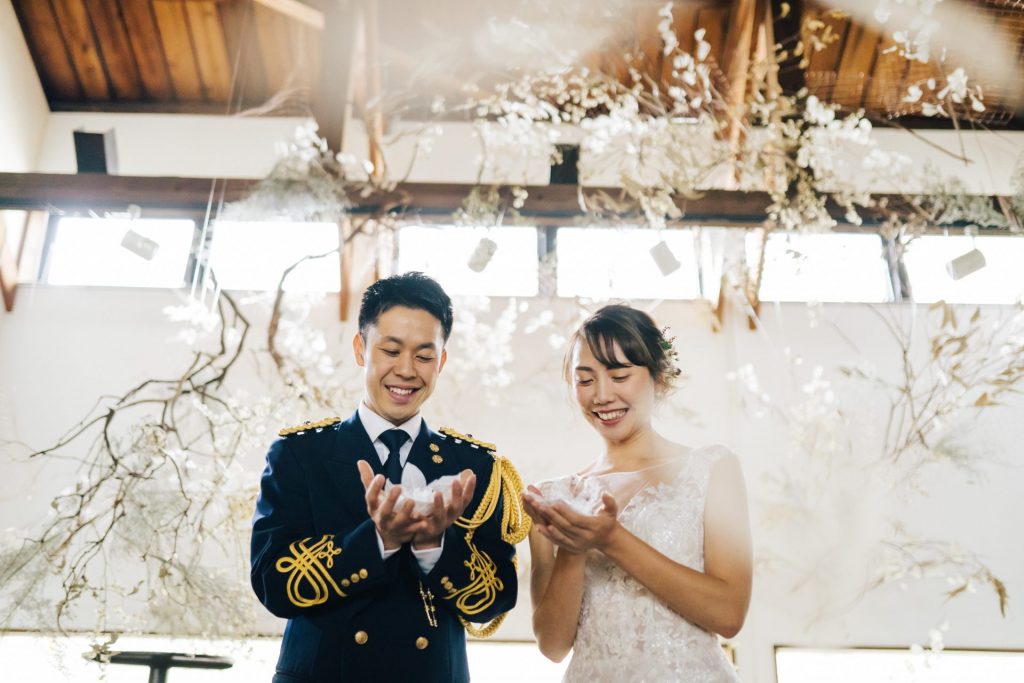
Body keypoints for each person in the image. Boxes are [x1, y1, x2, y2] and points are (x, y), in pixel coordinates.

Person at [251, 272, 529, 683]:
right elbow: (272, 582)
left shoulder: (475, 466)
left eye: (424, 356)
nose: (406, 370)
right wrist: (378, 540)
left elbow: (495, 600)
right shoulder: (300, 455)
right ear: (361, 349)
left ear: (442, 362)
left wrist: (435, 545)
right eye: (391, 350)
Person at [523, 304, 752, 682]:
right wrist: (573, 549)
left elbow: (728, 615)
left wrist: (611, 539)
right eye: (585, 380)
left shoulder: (713, 470)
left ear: (657, 377)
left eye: (619, 375)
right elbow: (553, 645)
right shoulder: (553, 498)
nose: (601, 395)